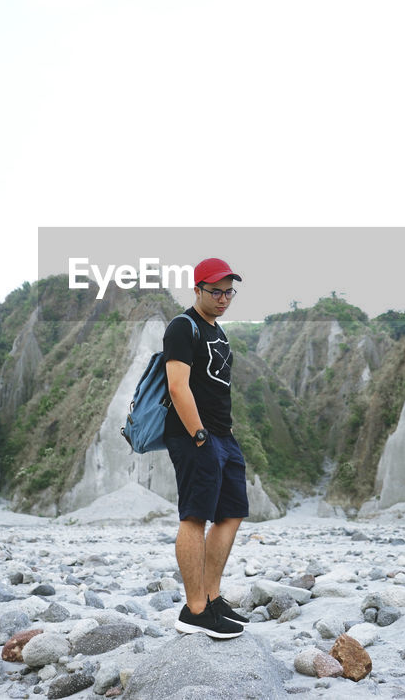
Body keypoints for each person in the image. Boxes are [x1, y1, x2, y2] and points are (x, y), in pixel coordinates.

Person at [164, 257, 251, 639]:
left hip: (222, 436)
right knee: (195, 516)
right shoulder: (183, 327)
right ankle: (195, 609)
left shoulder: (218, 330)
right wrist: (199, 434)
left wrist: (222, 431)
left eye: (229, 291)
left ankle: (212, 598)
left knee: (231, 513)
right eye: (215, 291)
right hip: (194, 435)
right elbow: (177, 386)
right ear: (197, 288)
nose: (223, 298)